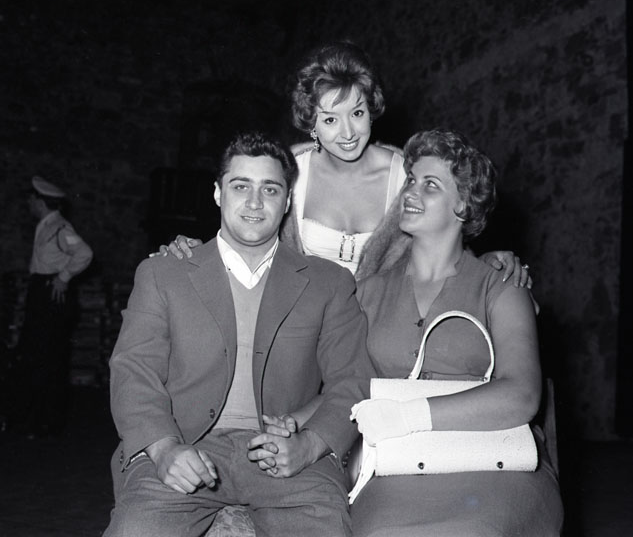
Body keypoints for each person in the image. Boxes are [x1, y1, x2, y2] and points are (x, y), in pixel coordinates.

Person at [103, 132, 374, 537]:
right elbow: (133, 371)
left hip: (285, 456)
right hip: (185, 444)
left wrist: (310, 445)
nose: (254, 202)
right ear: (218, 193)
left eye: (270, 189)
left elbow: (352, 380)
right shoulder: (164, 273)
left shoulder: (328, 283)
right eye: (240, 186)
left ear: (287, 201)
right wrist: (162, 448)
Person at [164, 41, 532, 285]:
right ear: (311, 124)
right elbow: (246, 231)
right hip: (299, 334)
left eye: (357, 112)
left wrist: (484, 263)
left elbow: (442, 242)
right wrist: (193, 250)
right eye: (330, 119)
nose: (348, 133)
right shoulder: (288, 170)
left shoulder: (407, 174)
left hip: (381, 338)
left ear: (371, 108)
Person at [346, 128, 563, 536]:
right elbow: (345, 385)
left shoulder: (501, 286)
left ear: (463, 204)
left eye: (430, 185)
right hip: (396, 467)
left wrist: (408, 416)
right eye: (411, 180)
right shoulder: (367, 293)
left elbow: (522, 394)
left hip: (495, 464)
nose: (411, 192)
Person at [4, 176, 93, 436]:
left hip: (51, 295)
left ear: (40, 202)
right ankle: (28, 418)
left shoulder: (59, 228)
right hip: (40, 292)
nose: (29, 204)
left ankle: (46, 422)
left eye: (31, 199)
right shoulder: (46, 226)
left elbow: (85, 253)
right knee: (34, 355)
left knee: (48, 358)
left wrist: (63, 278)